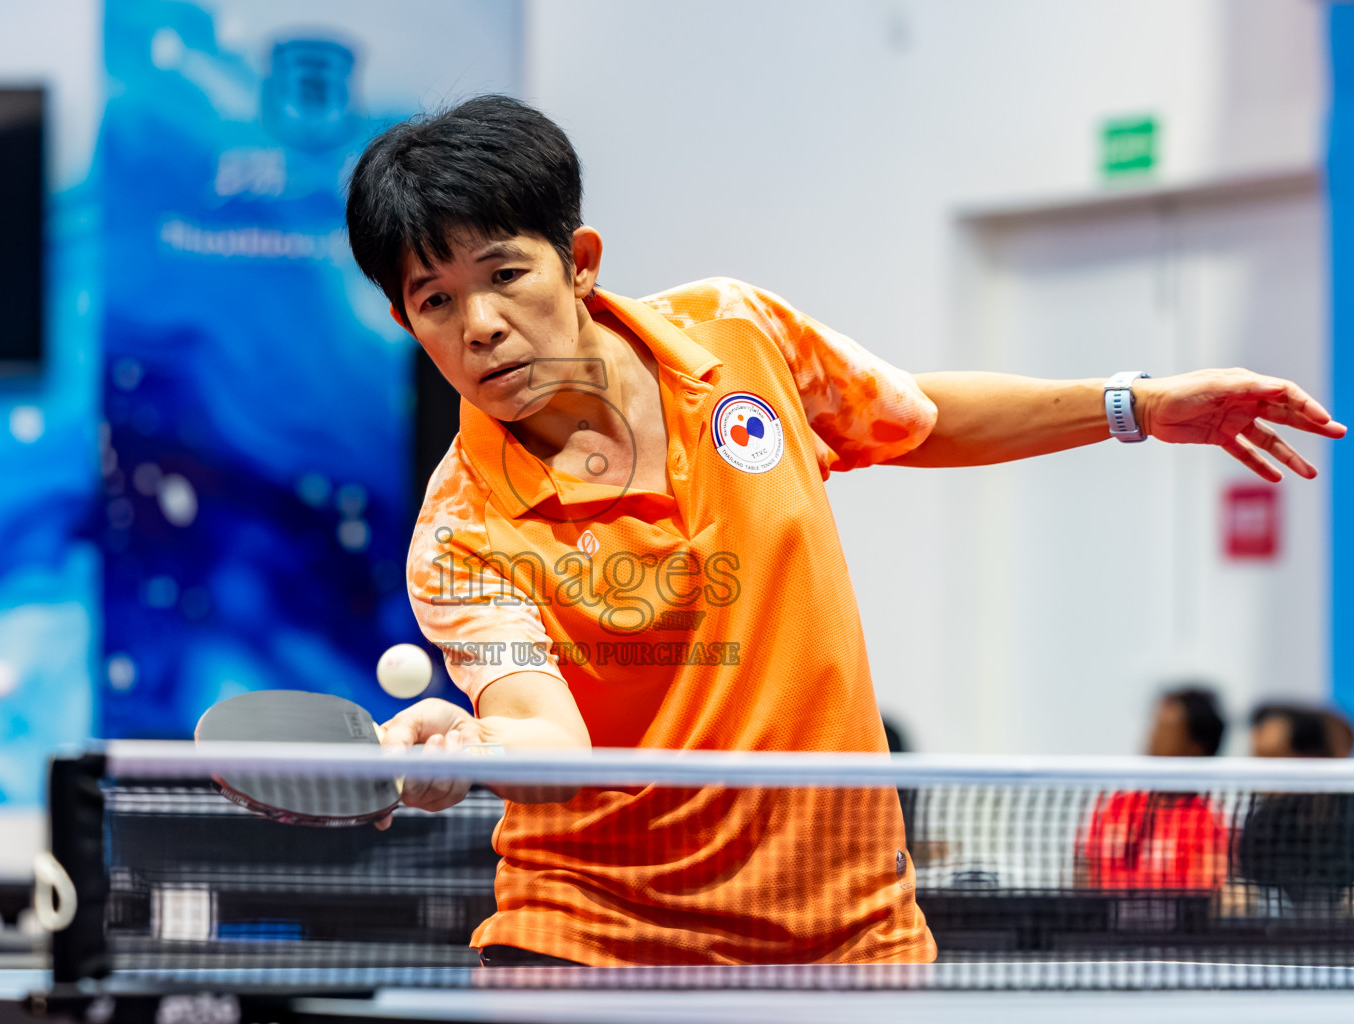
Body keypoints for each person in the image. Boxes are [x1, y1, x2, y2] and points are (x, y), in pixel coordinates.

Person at [344, 95, 1344, 966]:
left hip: (849, 933)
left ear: (581, 263)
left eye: (504, 274)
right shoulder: (460, 532)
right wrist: (469, 741)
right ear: (409, 323)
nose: (477, 323)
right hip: (597, 944)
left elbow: (919, 418)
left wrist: (1136, 403)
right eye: (436, 300)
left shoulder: (737, 334)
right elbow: (548, 734)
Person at [1079, 687, 1228, 891]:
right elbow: (1085, 876)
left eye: (1165, 729)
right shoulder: (1118, 805)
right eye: (1153, 725)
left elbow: (1202, 896)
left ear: (1197, 747)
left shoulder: (1209, 820)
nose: (1151, 738)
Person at [1237, 703, 1354, 911]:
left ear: (1310, 756)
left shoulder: (1347, 812)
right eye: (1258, 757)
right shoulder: (1262, 822)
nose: (1260, 769)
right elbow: (1253, 886)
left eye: (1272, 757)